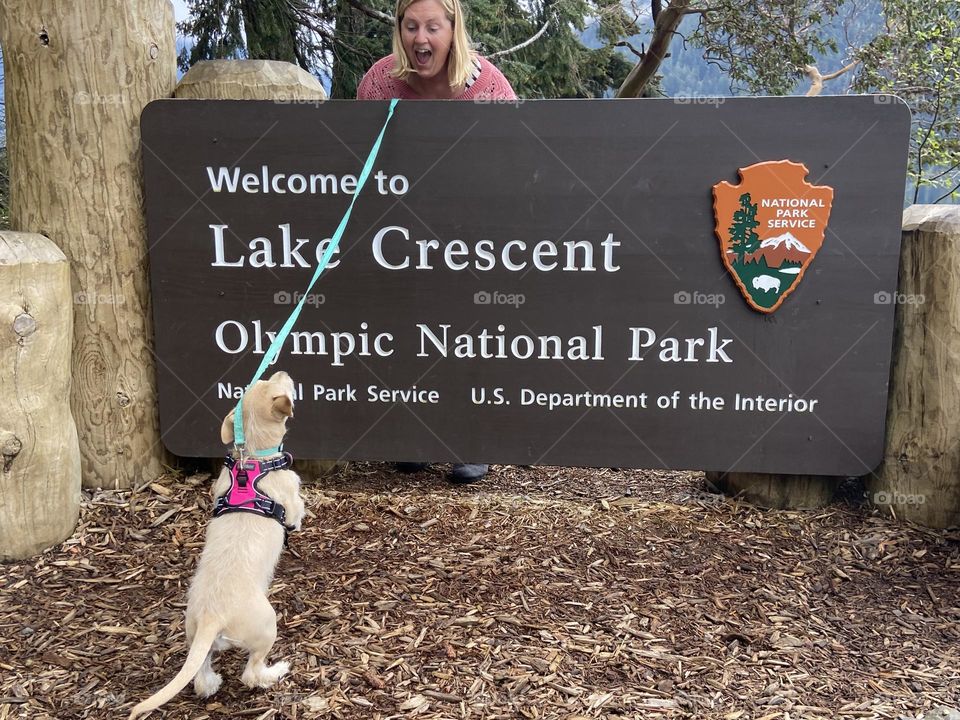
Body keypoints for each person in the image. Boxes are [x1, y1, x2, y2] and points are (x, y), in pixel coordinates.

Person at [357, 0, 518, 482]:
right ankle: (413, 433)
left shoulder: (489, 87)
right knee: (406, 331)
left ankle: (470, 439)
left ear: (453, 29)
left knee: (472, 333)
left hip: (474, 237)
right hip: (400, 235)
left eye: (432, 27)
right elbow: (359, 158)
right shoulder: (380, 82)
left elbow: (517, 160)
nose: (420, 39)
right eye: (411, 27)